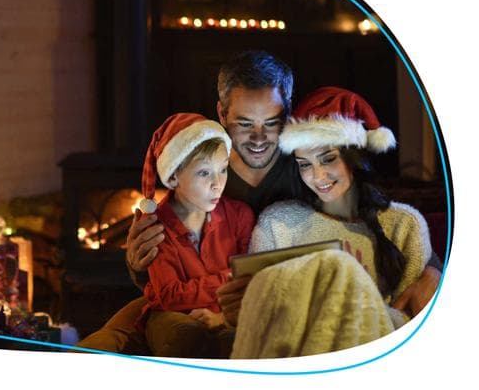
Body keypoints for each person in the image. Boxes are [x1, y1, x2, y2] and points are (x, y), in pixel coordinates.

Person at [75, 50, 442, 355]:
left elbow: (378, 219)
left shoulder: (304, 163)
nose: (258, 138)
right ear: (221, 114)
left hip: (254, 303)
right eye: (244, 123)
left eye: (272, 122)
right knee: (115, 338)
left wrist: (431, 271)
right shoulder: (203, 166)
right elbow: (167, 256)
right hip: (193, 300)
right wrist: (138, 263)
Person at [230, 86, 432, 357]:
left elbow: (410, 328)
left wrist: (353, 295)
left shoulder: (404, 224)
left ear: (354, 158)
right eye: (304, 164)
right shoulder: (278, 223)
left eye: (328, 159)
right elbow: (262, 320)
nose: (318, 175)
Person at [134, 113, 255, 357]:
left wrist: (222, 315)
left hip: (227, 315)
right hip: (174, 319)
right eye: (204, 173)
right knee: (186, 336)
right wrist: (229, 277)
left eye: (223, 170)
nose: (217, 183)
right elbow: (169, 296)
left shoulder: (239, 215)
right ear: (174, 176)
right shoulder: (155, 226)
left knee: (232, 339)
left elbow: (250, 281)